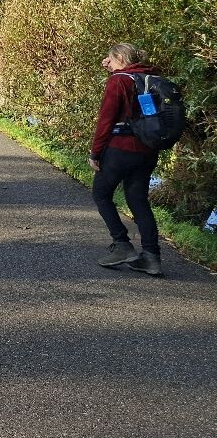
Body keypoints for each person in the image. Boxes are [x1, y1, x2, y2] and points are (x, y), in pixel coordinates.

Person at [90, 43, 162, 276]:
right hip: (148, 150)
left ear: (120, 57)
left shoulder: (118, 81)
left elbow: (106, 120)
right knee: (138, 200)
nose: (107, 63)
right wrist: (112, 68)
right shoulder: (149, 78)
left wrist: (96, 152)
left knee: (101, 193)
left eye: (110, 59)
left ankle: (122, 244)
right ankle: (151, 257)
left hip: (120, 149)